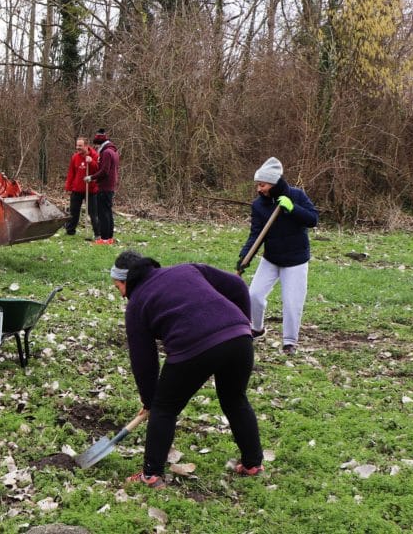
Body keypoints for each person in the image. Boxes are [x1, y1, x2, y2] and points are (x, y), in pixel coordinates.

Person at [110, 250, 265, 489]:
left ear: (126, 282)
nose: (120, 294)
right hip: (239, 339)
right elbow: (237, 285)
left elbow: (143, 360)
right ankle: (253, 463)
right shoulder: (187, 269)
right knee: (235, 399)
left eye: (117, 286)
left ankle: (151, 474)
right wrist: (244, 323)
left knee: (165, 407)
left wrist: (150, 400)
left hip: (194, 347)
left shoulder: (137, 304)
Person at [237, 157, 318, 354]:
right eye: (257, 185)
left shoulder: (297, 196)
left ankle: (289, 342)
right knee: (254, 295)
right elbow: (256, 234)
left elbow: (313, 219)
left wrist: (292, 208)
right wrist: (244, 257)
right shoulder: (258, 205)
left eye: (262, 185)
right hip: (271, 258)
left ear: (273, 182)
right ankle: (257, 328)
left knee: (291, 303)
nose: (259, 189)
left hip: (296, 261)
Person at [85, 129, 118, 245]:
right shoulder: (112, 151)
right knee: (108, 212)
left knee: (103, 213)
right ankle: (109, 238)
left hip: (104, 187)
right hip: (110, 187)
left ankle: (104, 238)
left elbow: (104, 171)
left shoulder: (106, 153)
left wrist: (91, 177)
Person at [63, 137, 99, 237]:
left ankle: (97, 233)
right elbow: (71, 173)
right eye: (77, 145)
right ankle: (70, 231)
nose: (77, 147)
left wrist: (91, 162)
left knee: (93, 213)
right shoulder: (75, 157)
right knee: (74, 211)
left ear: (86, 146)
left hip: (90, 189)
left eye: (80, 146)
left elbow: (98, 171)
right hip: (77, 189)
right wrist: (68, 187)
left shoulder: (95, 155)